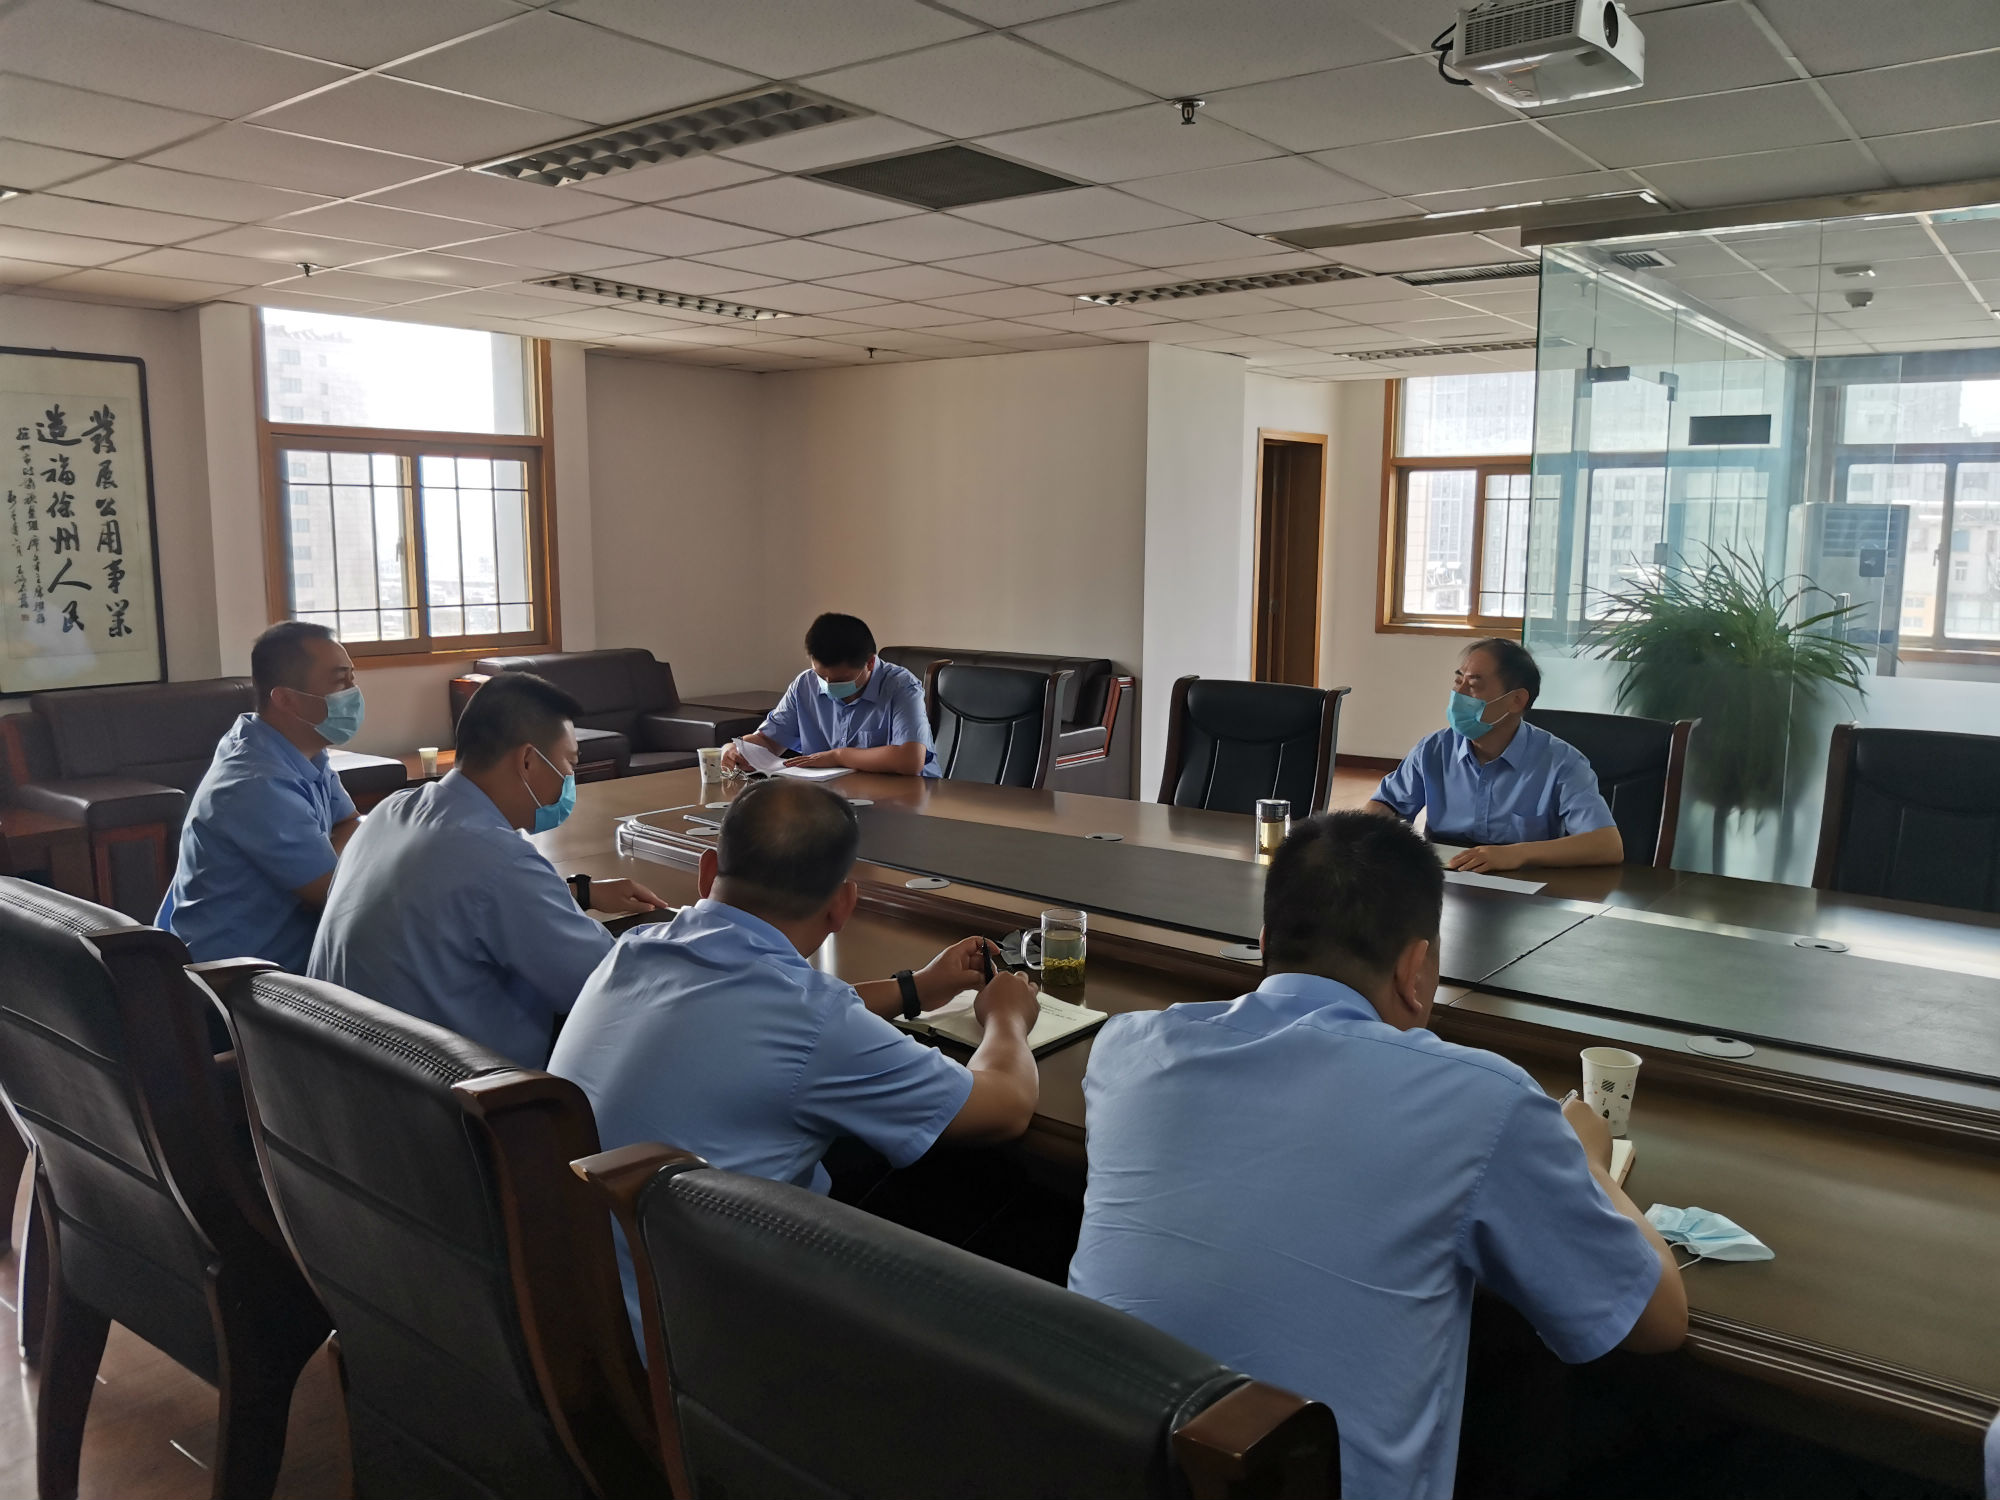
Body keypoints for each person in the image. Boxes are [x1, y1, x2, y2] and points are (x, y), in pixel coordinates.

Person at [1069, 812, 1685, 1500]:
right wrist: (1590, 1162)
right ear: (1415, 969)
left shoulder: (1126, 1048)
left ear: (1266, 944)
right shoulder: (1484, 1102)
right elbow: (1657, 1320)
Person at [550, 779, 1040, 1323]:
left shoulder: (634, 949)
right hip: (701, 1335)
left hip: (581, 1302)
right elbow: (1007, 1106)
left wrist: (915, 989)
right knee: (1006, 1198)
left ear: (708, 871)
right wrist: (1008, 1015)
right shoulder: (813, 1021)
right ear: (843, 905)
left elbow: (778, 1016)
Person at [309, 673, 666, 1066]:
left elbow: (458, 903)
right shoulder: (500, 859)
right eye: (570, 762)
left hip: (347, 1072)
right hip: (463, 1092)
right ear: (528, 760)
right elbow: (610, 986)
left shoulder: (393, 810)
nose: (570, 779)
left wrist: (579, 893)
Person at [159, 621, 364, 970]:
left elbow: (350, 821)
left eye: (352, 678)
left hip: (281, 965)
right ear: (285, 698)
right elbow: (335, 894)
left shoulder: (299, 749)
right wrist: (336, 857)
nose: (353, 692)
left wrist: (328, 853)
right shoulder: (255, 782)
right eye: (339, 681)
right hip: (233, 979)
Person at [1366, 637, 1623, 870]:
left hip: (1524, 884)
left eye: (1473, 685)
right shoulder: (1434, 749)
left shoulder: (1561, 762)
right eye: (1458, 680)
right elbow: (1385, 805)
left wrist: (1517, 854)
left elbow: (1607, 845)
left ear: (1516, 700)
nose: (1458, 693)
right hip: (1446, 878)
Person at [721, 612, 937, 777]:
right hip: (835, 796)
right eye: (821, 676)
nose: (828, 685)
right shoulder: (805, 684)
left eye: (841, 679)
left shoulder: (900, 686)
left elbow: (910, 760)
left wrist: (839, 756)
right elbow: (768, 741)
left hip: (905, 798)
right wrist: (737, 748)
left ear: (870, 663)